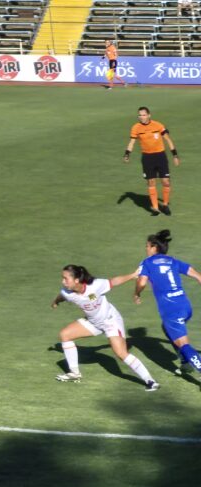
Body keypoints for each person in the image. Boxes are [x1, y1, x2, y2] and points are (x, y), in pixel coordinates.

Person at [52, 264, 159, 391]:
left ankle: (150, 381)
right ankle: (74, 373)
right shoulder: (67, 292)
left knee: (121, 353)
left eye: (65, 278)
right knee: (65, 335)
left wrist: (132, 276)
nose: (63, 281)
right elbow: (62, 296)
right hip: (93, 323)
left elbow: (114, 281)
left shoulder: (95, 286)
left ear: (76, 280)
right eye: (62, 278)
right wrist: (56, 301)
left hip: (110, 321)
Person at [134, 229, 201, 377]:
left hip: (171, 309)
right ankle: (185, 363)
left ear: (154, 247)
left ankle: (193, 364)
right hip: (185, 306)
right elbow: (198, 276)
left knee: (184, 345)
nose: (145, 248)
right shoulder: (173, 261)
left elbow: (142, 282)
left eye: (147, 246)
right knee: (166, 328)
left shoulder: (147, 263)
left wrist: (137, 293)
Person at [123, 106, 180, 216]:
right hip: (147, 158)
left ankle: (165, 205)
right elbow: (132, 142)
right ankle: (155, 208)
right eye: (140, 115)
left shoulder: (158, 125)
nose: (141, 117)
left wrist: (175, 155)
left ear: (149, 115)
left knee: (166, 182)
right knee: (151, 182)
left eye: (144, 115)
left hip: (160, 156)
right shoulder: (136, 128)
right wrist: (127, 154)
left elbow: (168, 139)